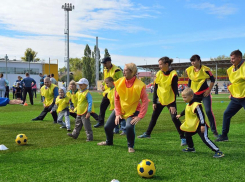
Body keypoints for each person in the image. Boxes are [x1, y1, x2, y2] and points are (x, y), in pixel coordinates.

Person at [97, 63, 149, 153]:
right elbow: (116, 99)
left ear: (132, 72)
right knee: (107, 127)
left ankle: (130, 146)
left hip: (133, 111)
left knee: (129, 127)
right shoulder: (119, 82)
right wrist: (117, 113)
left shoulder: (140, 85)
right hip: (121, 110)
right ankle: (109, 142)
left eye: (125, 70)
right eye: (123, 70)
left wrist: (140, 116)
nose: (123, 71)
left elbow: (145, 101)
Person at [138, 57, 186, 146]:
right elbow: (156, 87)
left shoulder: (173, 74)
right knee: (154, 117)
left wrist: (172, 104)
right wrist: (154, 102)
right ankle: (147, 133)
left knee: (174, 118)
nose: (159, 66)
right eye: (159, 64)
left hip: (170, 100)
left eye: (160, 64)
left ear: (166, 64)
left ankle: (183, 137)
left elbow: (175, 90)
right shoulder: (159, 73)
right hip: (160, 99)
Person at [176, 88, 224, 158]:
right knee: (187, 134)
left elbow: (201, 115)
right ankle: (191, 148)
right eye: (183, 97)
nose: (184, 99)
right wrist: (180, 115)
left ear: (191, 96)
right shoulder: (189, 104)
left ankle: (218, 151)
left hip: (201, 125)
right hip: (194, 125)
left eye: (185, 97)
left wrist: (202, 125)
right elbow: (186, 110)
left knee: (205, 139)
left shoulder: (196, 105)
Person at [186, 54, 218, 137]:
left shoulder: (205, 69)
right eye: (191, 61)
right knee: (192, 111)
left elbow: (212, 79)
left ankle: (214, 131)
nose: (192, 62)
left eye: (194, 60)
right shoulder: (189, 70)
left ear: (199, 61)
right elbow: (189, 81)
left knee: (208, 111)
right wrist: (188, 92)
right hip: (194, 95)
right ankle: (194, 129)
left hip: (204, 93)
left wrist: (209, 90)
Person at [216, 50, 245, 142]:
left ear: (239, 58)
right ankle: (224, 136)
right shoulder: (230, 69)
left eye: (233, 58)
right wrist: (231, 93)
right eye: (231, 58)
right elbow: (234, 83)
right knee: (227, 114)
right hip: (236, 98)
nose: (231, 60)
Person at [94, 56, 123, 128]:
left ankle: (120, 124)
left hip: (114, 92)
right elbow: (105, 79)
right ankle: (100, 122)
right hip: (107, 92)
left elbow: (121, 80)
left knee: (116, 108)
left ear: (109, 62)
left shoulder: (117, 70)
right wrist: (103, 86)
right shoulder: (105, 69)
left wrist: (113, 86)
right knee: (102, 106)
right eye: (103, 63)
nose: (104, 65)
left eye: (105, 63)